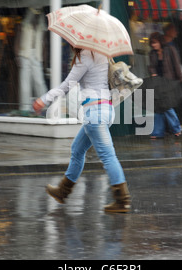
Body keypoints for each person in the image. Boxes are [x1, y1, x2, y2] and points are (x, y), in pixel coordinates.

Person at [33, 47, 131, 213]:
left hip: (95, 115)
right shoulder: (103, 54)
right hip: (105, 111)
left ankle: (122, 200)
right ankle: (62, 192)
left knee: (108, 156)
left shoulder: (85, 57)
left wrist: (44, 99)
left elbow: (66, 86)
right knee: (77, 150)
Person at [148, 32, 182, 139]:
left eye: (155, 43)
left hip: (169, 82)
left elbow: (176, 64)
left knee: (166, 105)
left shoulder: (170, 49)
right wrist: (153, 73)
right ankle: (159, 132)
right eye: (152, 43)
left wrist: (179, 79)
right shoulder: (152, 53)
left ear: (160, 42)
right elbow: (151, 66)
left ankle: (175, 128)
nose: (153, 45)